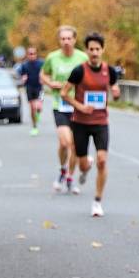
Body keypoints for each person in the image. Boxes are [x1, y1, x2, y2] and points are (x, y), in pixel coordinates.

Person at [60, 32, 120, 217]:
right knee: (84, 164)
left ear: (103, 50)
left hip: (101, 122)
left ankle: (97, 201)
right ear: (86, 51)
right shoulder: (79, 71)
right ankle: (85, 168)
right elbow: (64, 93)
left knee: (102, 161)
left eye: (98, 49)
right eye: (91, 49)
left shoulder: (109, 71)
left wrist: (116, 92)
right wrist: (80, 106)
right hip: (80, 123)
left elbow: (114, 89)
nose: (94, 53)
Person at [40, 25, 89, 194]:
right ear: (59, 40)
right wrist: (50, 83)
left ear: (75, 40)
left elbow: (90, 75)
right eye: (63, 39)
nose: (66, 41)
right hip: (59, 105)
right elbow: (43, 74)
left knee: (75, 145)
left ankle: (69, 176)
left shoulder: (83, 57)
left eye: (69, 38)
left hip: (77, 105)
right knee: (64, 142)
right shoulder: (53, 58)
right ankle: (62, 168)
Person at [18, 47, 45, 136]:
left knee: (38, 107)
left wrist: (43, 79)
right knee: (33, 108)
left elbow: (46, 73)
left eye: (33, 53)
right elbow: (22, 76)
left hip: (39, 87)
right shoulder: (25, 65)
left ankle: (38, 113)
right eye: (30, 54)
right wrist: (23, 79)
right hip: (29, 87)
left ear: (36, 54)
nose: (32, 55)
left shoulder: (41, 63)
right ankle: (34, 127)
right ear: (27, 55)